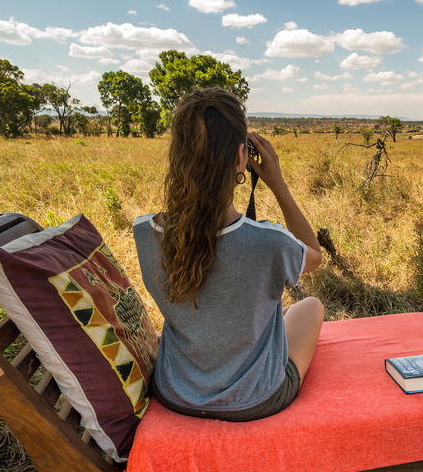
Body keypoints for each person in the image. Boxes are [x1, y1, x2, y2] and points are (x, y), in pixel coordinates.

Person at [132, 88, 324, 422]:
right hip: (254, 399)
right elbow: (315, 256)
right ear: (241, 157)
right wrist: (278, 183)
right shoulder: (268, 242)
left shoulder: (144, 232)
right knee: (311, 306)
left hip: (175, 392)